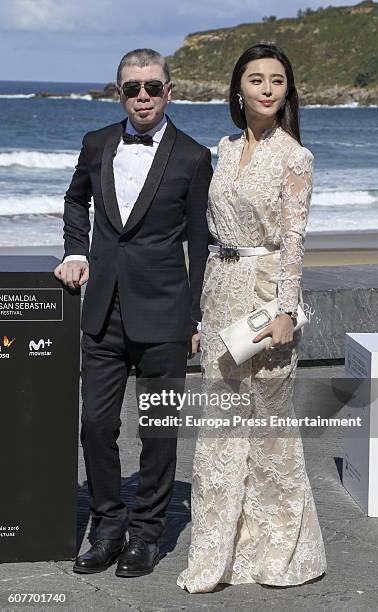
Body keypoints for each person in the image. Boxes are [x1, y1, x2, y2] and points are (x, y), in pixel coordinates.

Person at [54, 48, 212, 577]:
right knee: (96, 425)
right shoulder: (96, 142)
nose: (141, 96)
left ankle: (146, 534)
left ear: (170, 91)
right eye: (131, 88)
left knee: (158, 429)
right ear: (117, 91)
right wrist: (75, 251)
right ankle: (107, 525)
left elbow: (199, 243)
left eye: (151, 86)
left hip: (166, 315)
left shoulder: (193, 156)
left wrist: (195, 319)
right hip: (103, 312)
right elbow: (76, 201)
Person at [177, 43, 326, 593]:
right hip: (220, 292)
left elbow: (294, 242)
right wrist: (197, 311)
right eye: (256, 79)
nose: (267, 88)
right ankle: (219, 554)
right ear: (237, 88)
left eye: (278, 81)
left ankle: (283, 551)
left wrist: (286, 312)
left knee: (269, 427)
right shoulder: (225, 147)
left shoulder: (295, 157)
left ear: (288, 92)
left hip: (266, 298)